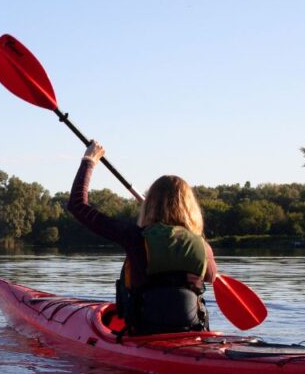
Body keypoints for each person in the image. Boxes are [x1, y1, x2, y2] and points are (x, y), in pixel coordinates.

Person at [67, 141, 217, 335]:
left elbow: (77, 205)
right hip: (193, 333)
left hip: (144, 335)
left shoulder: (135, 237)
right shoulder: (203, 247)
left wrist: (89, 160)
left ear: (150, 205)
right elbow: (212, 277)